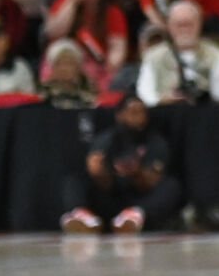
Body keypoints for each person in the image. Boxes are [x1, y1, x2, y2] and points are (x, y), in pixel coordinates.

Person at [60, 96, 185, 234]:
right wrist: (100, 173)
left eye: (143, 112)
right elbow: (102, 183)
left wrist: (137, 173)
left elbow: (152, 182)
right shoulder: (106, 140)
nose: (139, 117)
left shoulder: (156, 142)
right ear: (119, 115)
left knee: (172, 185)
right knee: (74, 179)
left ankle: (132, 217)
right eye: (133, 112)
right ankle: (83, 217)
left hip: (139, 199)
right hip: (111, 197)